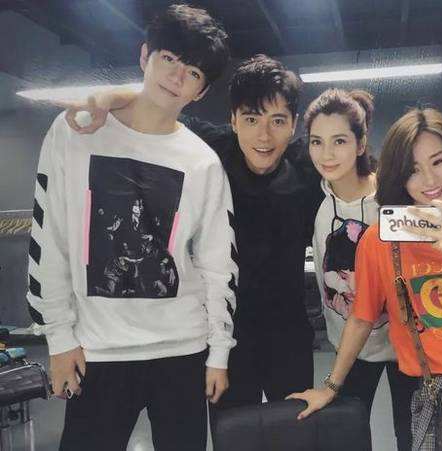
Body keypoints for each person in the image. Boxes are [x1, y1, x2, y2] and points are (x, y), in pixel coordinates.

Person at [62, 54, 323, 429]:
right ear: (233, 120)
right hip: (225, 337)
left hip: (289, 336)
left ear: (294, 124)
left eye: (277, 121)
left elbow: (362, 171)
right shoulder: (212, 150)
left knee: (297, 434)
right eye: (251, 119)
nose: (264, 136)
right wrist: (105, 98)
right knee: (233, 435)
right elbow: (157, 103)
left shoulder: (308, 167)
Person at [26, 5, 237, 450]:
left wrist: (218, 351)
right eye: (169, 59)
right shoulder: (75, 131)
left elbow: (218, 264)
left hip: (182, 350)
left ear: (200, 91)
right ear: (145, 56)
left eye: (193, 72)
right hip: (97, 351)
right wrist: (58, 338)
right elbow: (50, 238)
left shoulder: (202, 162)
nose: (176, 77)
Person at [288, 108, 442, 450]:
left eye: (438, 161)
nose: (429, 180)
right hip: (439, 388)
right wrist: (329, 387)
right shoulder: (379, 241)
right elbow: (361, 318)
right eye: (412, 170)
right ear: (398, 177)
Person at [300, 88, 414, 450]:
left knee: (413, 436)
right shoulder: (318, 206)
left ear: (361, 143)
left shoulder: (393, 200)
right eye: (317, 142)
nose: (327, 154)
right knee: (347, 437)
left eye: (339, 141)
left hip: (406, 347)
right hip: (351, 348)